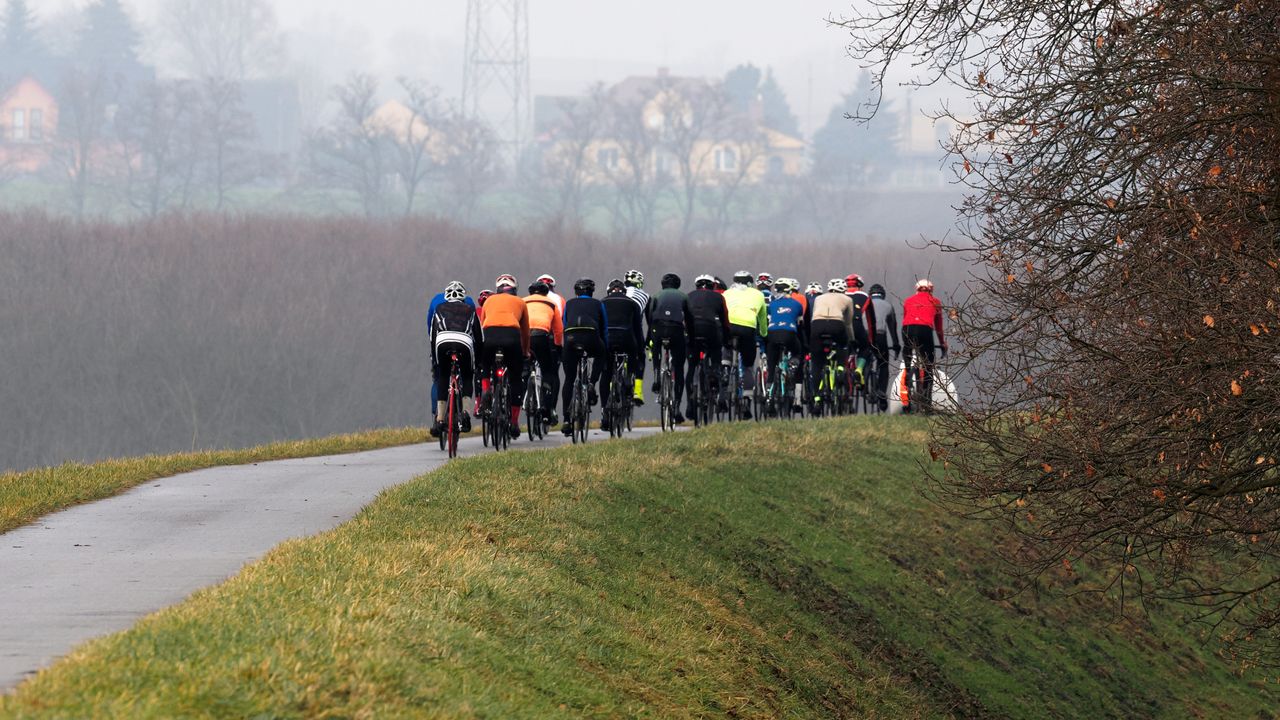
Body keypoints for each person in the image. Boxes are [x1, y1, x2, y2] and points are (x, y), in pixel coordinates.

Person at [480, 275, 531, 439]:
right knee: (516, 379)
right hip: (511, 337)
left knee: (486, 365)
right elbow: (525, 331)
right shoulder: (521, 302)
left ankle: (486, 390)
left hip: (490, 335)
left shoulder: (488, 301)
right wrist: (525, 352)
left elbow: (483, 324)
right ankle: (514, 422)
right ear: (514, 290)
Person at [430, 281, 482, 437]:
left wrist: (435, 361)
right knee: (467, 375)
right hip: (464, 343)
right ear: (463, 297)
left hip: (442, 343)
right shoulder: (470, 309)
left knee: (443, 376)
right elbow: (479, 337)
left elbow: (432, 337)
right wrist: (478, 362)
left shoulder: (438, 308)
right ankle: (465, 413)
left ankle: (439, 419)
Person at [561, 278, 609, 436]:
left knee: (569, 379)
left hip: (571, 339)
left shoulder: (569, 303)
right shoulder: (598, 304)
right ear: (591, 291)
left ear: (576, 292)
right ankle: (591, 383)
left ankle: (567, 420)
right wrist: (604, 346)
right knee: (601, 355)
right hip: (591, 337)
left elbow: (565, 323)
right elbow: (604, 328)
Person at [648, 273, 695, 424]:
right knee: (679, 368)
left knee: (656, 350)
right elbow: (689, 318)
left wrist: (651, 334)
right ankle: (676, 408)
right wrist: (691, 337)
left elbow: (650, 316)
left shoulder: (656, 295)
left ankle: (656, 375)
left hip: (658, 328)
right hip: (676, 330)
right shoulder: (683, 296)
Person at [601, 279, 645, 431]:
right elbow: (638, 330)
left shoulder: (603, 302)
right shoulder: (633, 304)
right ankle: (627, 379)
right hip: (626, 338)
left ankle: (604, 410)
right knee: (633, 355)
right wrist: (640, 351)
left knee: (606, 374)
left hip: (608, 340)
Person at [724, 270, 769, 418]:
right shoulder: (758, 294)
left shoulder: (727, 293)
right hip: (748, 327)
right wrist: (763, 334)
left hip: (729, 326)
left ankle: (725, 369)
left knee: (726, 348)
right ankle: (746, 399)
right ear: (751, 283)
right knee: (748, 364)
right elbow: (762, 321)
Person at [685, 273, 731, 418]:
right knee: (716, 356)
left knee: (691, 367)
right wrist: (727, 340)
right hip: (710, 329)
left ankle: (689, 405)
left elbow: (684, 318)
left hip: (692, 331)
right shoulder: (719, 297)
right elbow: (725, 322)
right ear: (712, 286)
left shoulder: (689, 296)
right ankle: (714, 376)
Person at [808, 278, 857, 408]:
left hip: (817, 325)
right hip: (836, 324)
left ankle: (817, 397)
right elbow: (848, 323)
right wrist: (851, 340)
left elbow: (814, 315)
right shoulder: (847, 299)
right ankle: (840, 368)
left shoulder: (819, 298)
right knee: (842, 345)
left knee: (817, 363)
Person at [902, 278, 947, 411]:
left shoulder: (908, 300)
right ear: (931, 290)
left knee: (908, 354)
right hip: (924, 330)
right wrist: (942, 344)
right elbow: (938, 328)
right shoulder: (935, 302)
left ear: (916, 290)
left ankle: (908, 374)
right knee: (928, 365)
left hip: (907, 329)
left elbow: (906, 318)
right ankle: (926, 403)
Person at [524, 281, 564, 424]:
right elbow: (558, 330)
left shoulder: (523, 301)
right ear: (546, 293)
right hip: (541, 337)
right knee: (547, 372)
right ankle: (546, 410)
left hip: (524, 337)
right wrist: (558, 347)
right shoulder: (551, 304)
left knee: (523, 369)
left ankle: (523, 393)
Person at [765, 279, 805, 414]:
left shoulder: (771, 304)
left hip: (772, 335)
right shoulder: (797, 304)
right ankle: (793, 364)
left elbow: (769, 321)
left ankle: (769, 398)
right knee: (798, 350)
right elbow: (800, 326)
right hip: (789, 334)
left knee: (771, 366)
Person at [867, 284, 901, 412]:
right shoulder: (888, 306)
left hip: (865, 335)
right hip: (880, 336)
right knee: (883, 363)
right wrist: (896, 345)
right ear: (883, 295)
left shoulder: (866, 303)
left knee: (865, 356)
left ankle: (864, 380)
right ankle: (881, 391)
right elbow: (892, 327)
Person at [844, 273, 877, 386]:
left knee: (844, 348)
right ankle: (859, 369)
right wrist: (872, 340)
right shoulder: (865, 296)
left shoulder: (840, 295)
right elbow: (870, 321)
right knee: (864, 347)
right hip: (856, 324)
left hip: (842, 326)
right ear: (860, 285)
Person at [623, 269, 650, 403]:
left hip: (614, 328)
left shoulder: (619, 292)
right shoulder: (645, 296)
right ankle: (637, 391)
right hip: (633, 329)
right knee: (640, 356)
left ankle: (611, 386)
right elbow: (647, 320)